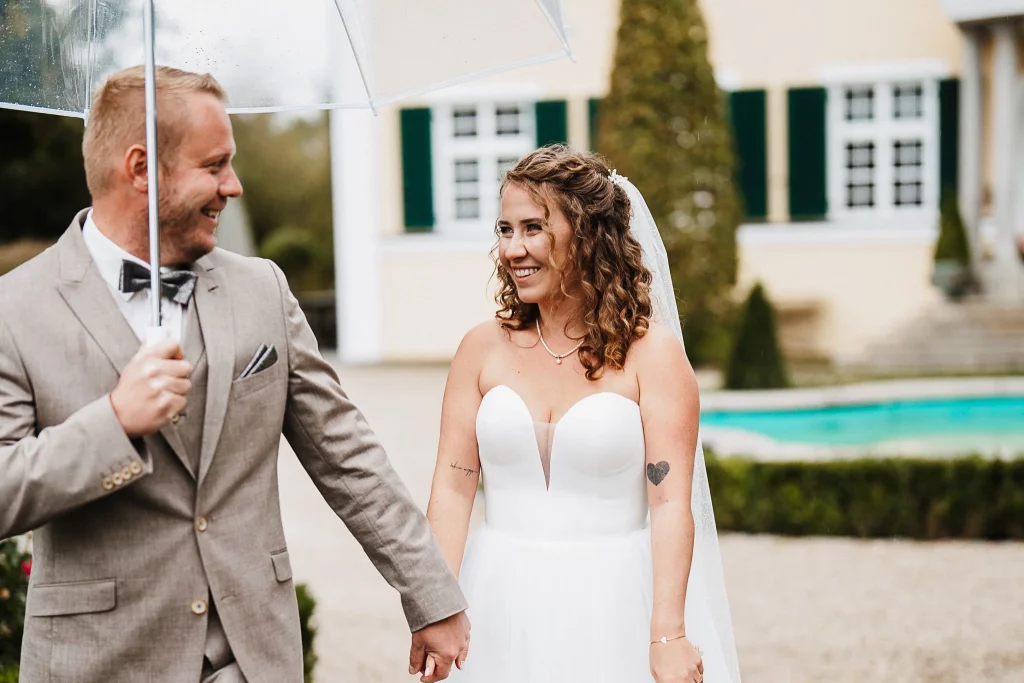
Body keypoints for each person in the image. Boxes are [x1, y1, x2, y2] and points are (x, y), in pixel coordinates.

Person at [0, 65, 468, 683]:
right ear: (141, 169)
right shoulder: (14, 310)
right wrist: (114, 423)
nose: (234, 186)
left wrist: (430, 593)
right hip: (99, 662)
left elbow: (348, 456)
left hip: (252, 659)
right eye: (215, 165)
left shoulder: (262, 289)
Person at [425, 146, 741, 682]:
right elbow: (453, 490)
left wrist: (667, 631)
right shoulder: (479, 349)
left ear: (588, 236)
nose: (513, 249)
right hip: (496, 598)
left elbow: (670, 504)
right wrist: (436, 605)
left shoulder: (653, 356)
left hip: (614, 604)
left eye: (533, 228)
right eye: (505, 229)